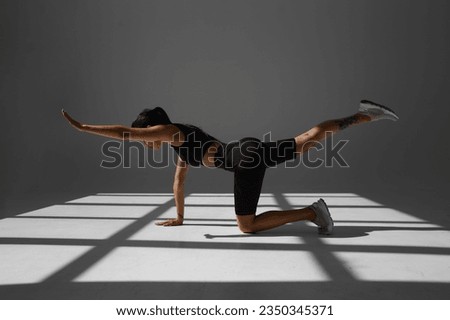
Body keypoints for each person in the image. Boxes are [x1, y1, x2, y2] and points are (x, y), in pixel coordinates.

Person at [61, 100, 398, 235]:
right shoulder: (182, 145)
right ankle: (363, 114)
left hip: (243, 161)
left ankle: (313, 213)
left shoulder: (171, 130)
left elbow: (124, 133)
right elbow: (178, 182)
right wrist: (180, 216)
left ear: (155, 130)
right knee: (309, 137)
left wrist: (84, 128)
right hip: (246, 150)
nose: (146, 143)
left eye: (147, 136)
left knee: (247, 227)